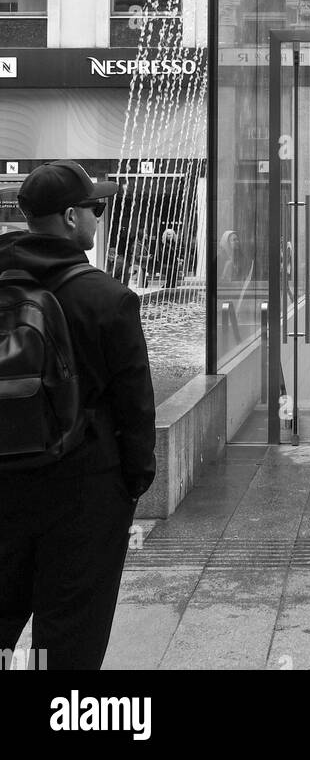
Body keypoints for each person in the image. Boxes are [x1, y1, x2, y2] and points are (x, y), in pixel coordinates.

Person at [0, 159, 156, 671]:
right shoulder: (107, 298)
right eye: (96, 207)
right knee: (70, 629)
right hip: (86, 488)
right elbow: (135, 407)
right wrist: (132, 484)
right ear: (70, 218)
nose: (100, 216)